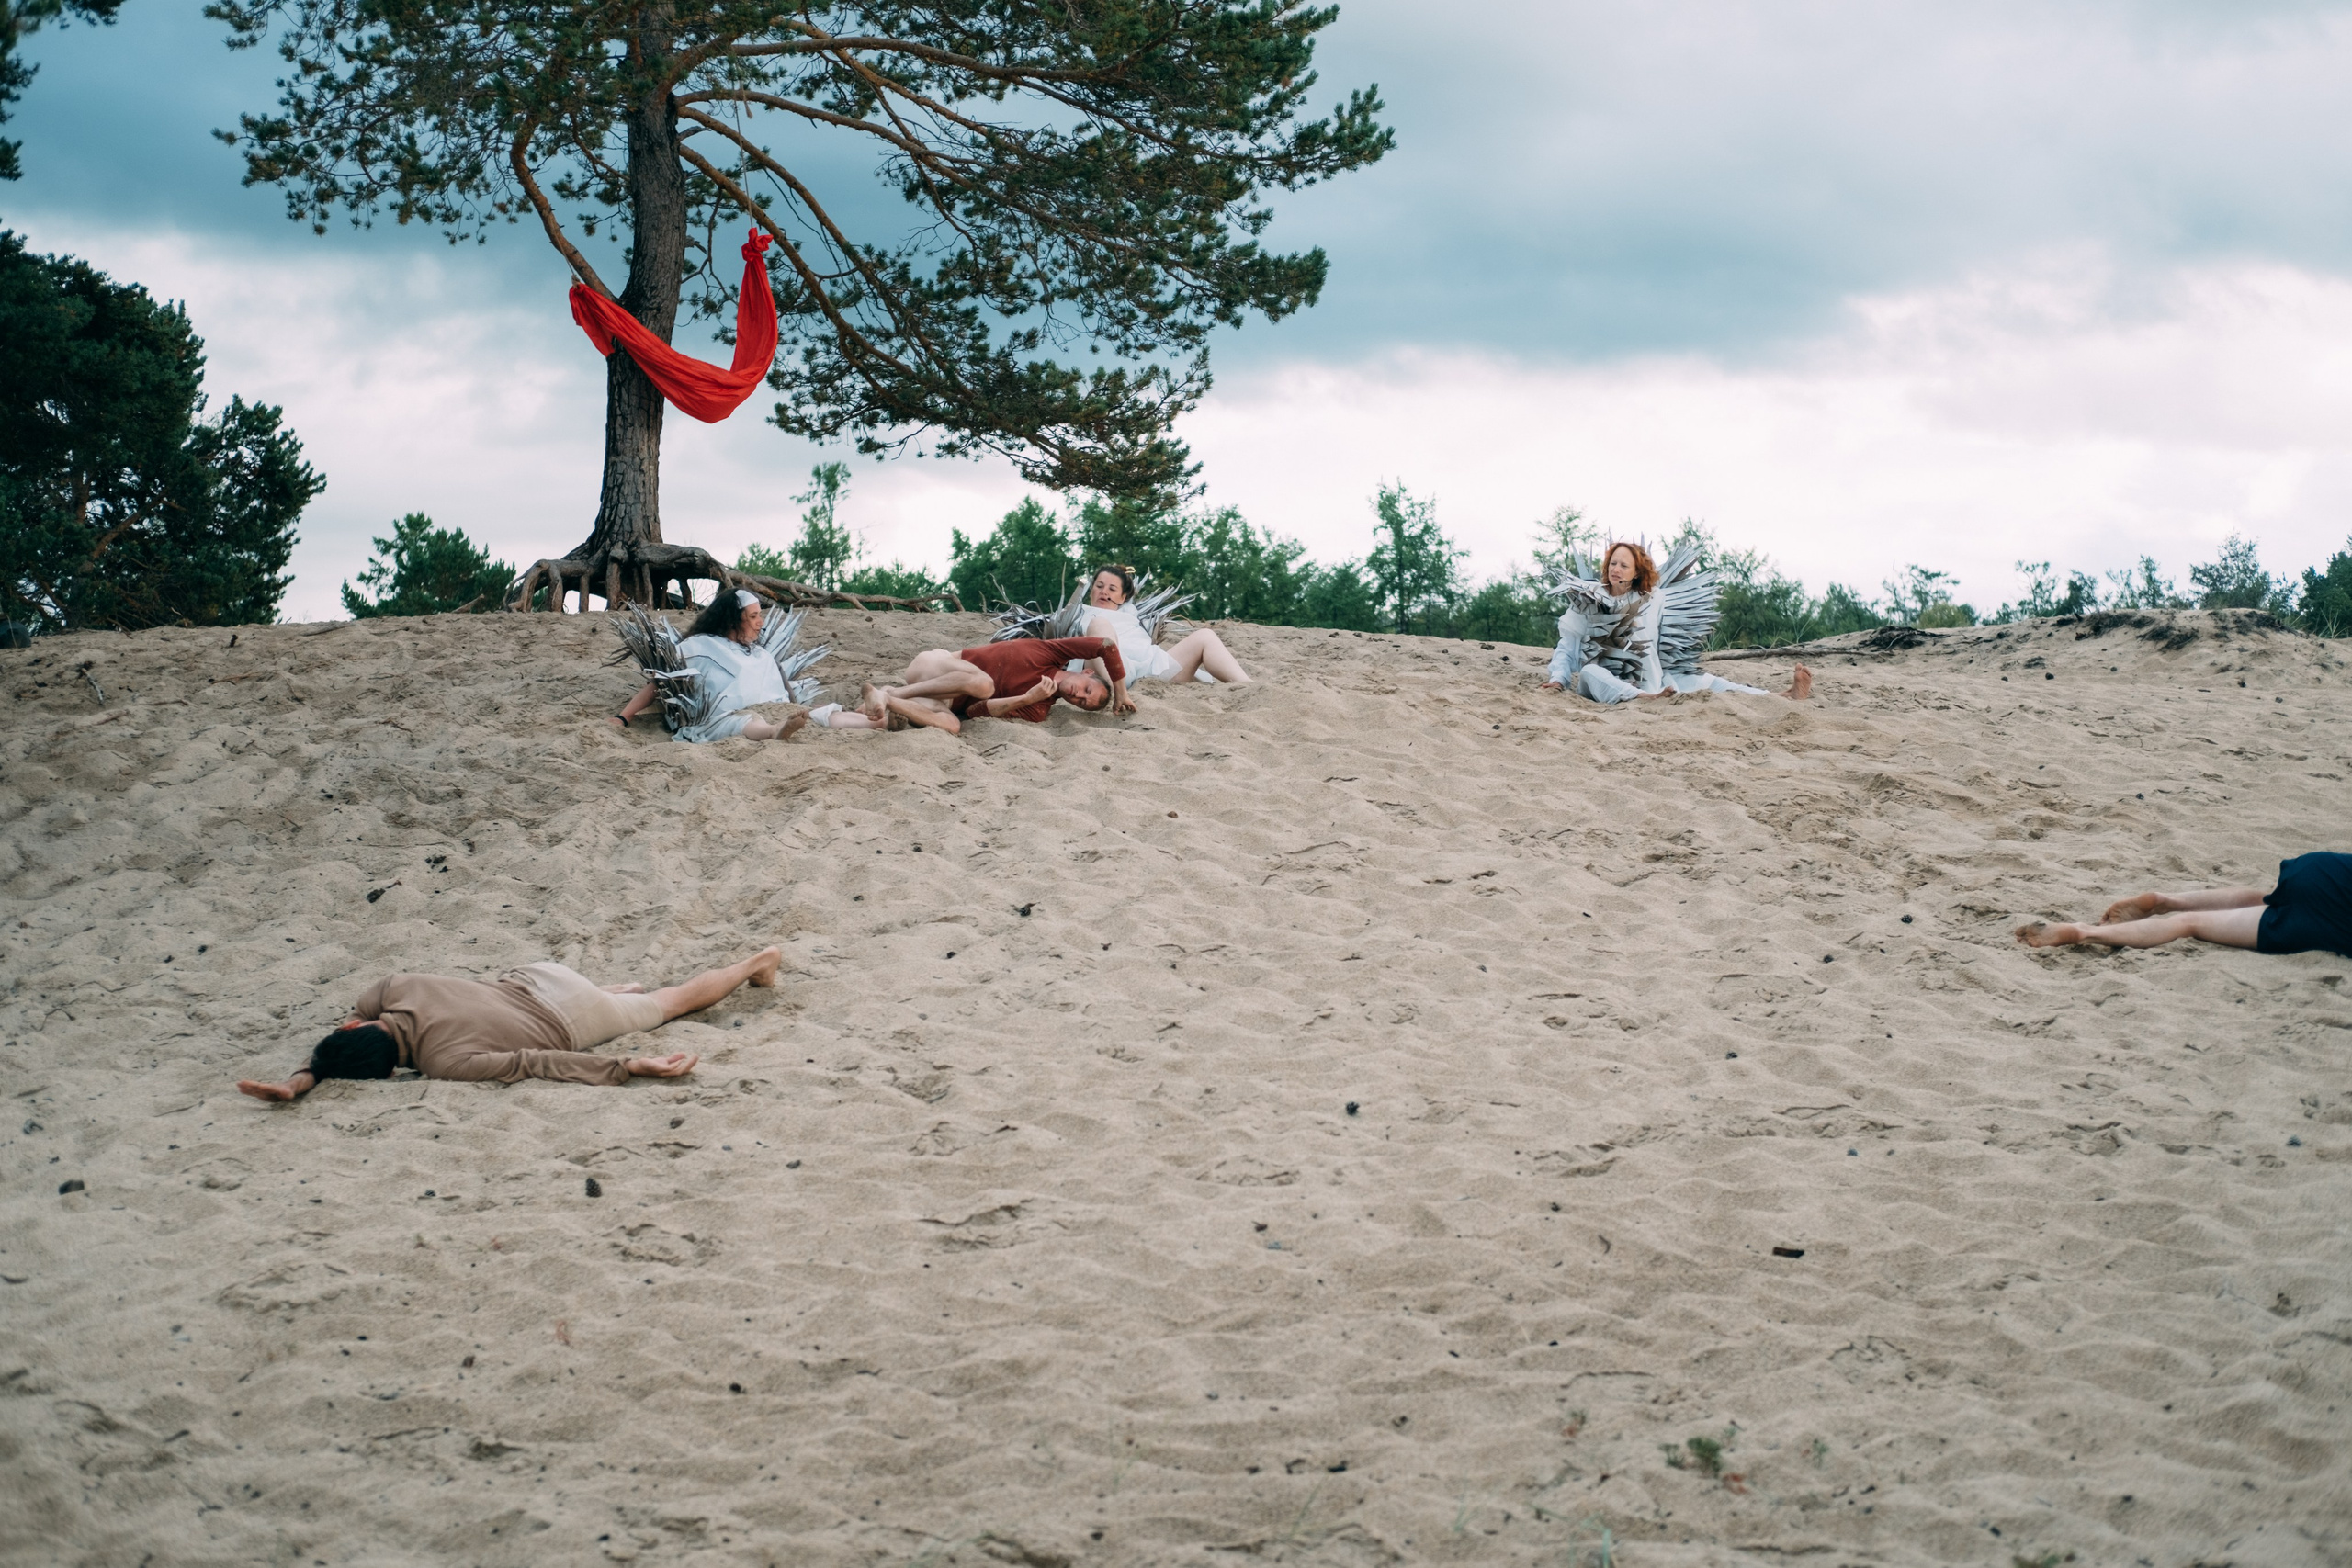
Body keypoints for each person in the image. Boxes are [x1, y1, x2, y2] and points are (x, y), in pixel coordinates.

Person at [234, 946, 785, 1101]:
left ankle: (756, 962)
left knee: (675, 1002)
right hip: (534, 975)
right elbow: (350, 1024)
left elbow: (537, 1063)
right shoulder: (390, 989)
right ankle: (612, 989)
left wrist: (628, 1066)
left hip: (571, 1018)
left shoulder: (444, 1065)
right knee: (491, 994)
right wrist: (305, 1074)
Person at [1541, 541, 1811, 703]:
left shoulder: (1654, 599)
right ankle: (1644, 700)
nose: (1615, 569)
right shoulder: (1588, 598)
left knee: (1705, 680)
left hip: (1649, 679)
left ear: (1636, 573)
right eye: (1613, 563)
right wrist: (1559, 680)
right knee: (1589, 672)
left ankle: (1781, 696)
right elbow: (1568, 644)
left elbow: (1655, 644)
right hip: (1602, 683)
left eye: (1624, 565)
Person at [2016, 853, 2352, 957]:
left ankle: (2165, 900)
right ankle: (2083, 932)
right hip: (2331, 918)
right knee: (2187, 925)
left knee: (2271, 898)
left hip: (2325, 871)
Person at [810, 637, 1129, 734]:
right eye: (1087, 691)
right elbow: (1105, 645)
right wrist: (1122, 693)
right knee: (984, 682)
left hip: (948, 701)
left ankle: (838, 715)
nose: (1079, 697)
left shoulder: (1039, 708)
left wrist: (1025, 698)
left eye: (1083, 704)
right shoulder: (1053, 652)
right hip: (932, 667)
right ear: (1086, 674)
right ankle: (891, 693)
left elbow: (976, 712)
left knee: (952, 726)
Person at [613, 591, 808, 741]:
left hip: (775, 711)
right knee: (746, 721)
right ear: (733, 619)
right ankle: (773, 731)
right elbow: (660, 683)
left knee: (824, 715)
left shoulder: (757, 652)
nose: (761, 623)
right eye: (754, 616)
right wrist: (623, 717)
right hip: (719, 719)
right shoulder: (698, 645)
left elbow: (782, 688)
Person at [1072, 564, 1250, 686]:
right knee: (1099, 624)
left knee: (1205, 636)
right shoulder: (1077, 612)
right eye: (1099, 586)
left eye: (1112, 589)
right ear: (1091, 589)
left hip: (1154, 669)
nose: (1104, 592)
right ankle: (1119, 692)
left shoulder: (1130, 613)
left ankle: (1247, 686)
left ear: (1123, 597)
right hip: (1115, 672)